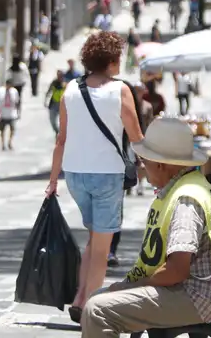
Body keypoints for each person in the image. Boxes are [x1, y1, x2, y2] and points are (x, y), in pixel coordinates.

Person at [80, 117, 211, 338]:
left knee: (97, 311)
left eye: (144, 162)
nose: (143, 168)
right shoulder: (193, 186)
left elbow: (176, 270)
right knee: (98, 297)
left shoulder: (186, 200)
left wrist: (135, 286)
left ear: (160, 164)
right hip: (200, 291)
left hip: (197, 296)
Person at [46, 31, 145, 324]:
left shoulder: (71, 90)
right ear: (112, 61)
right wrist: (155, 170)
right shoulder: (121, 90)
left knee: (93, 237)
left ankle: (79, 297)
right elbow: (136, 138)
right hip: (106, 175)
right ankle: (91, 306)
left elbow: (61, 140)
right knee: (102, 246)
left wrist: (53, 180)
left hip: (75, 175)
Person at [0, 77, 20, 151]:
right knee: (2, 130)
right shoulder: (0, 91)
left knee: (12, 129)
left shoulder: (14, 91)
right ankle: (2, 143)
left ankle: (9, 142)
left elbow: (17, 102)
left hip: (11, 114)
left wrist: (17, 112)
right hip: (2, 114)